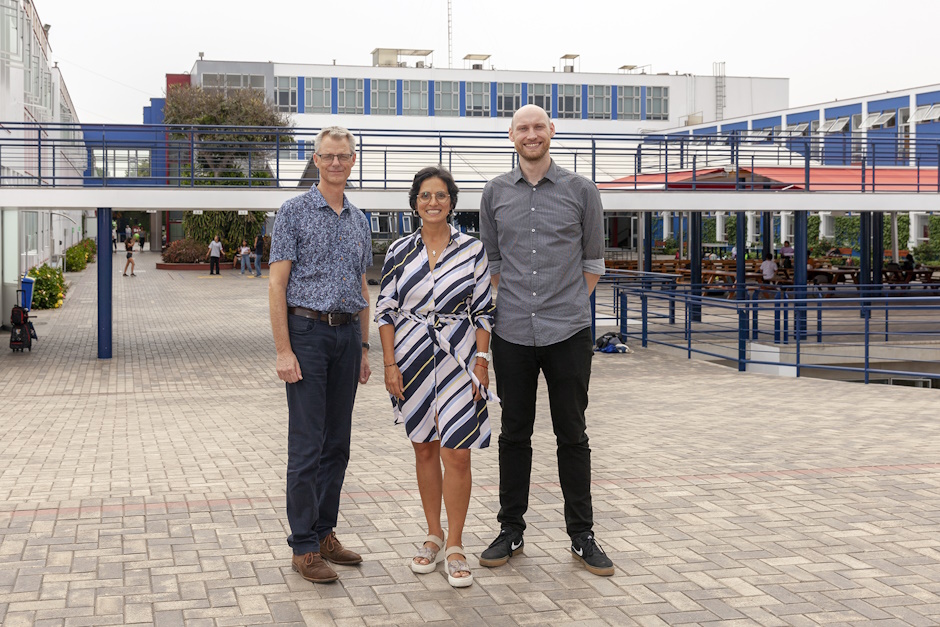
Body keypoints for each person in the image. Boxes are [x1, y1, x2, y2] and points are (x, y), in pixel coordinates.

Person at [479, 104, 614, 577]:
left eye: (539, 126)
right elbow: (493, 264)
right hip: (512, 333)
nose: (531, 134)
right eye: (522, 127)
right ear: (511, 135)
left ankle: (582, 536)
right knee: (515, 435)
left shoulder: (582, 190)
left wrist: (567, 304)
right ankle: (510, 530)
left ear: (552, 132)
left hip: (568, 333)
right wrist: (521, 306)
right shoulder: (494, 192)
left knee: (571, 435)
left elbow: (593, 262)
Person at [375, 166, 496, 588]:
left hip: (459, 356)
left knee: (457, 451)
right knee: (424, 448)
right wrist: (390, 365)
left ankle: (457, 543)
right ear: (414, 203)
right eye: (425, 195)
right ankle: (433, 534)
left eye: (440, 195)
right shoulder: (397, 251)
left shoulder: (472, 249)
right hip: (410, 357)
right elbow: (386, 311)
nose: (432, 202)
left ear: (451, 202)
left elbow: (483, 310)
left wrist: (482, 361)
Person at [268, 126, 372, 584]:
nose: (335, 163)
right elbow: (277, 284)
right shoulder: (292, 212)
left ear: (353, 160)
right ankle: (304, 547)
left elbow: (364, 287)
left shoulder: (360, 220)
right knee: (307, 445)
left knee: (338, 445)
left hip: (348, 337)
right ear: (315, 159)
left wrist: (365, 347)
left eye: (343, 156)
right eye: (328, 156)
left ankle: (325, 532)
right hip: (307, 333)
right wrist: (284, 350)